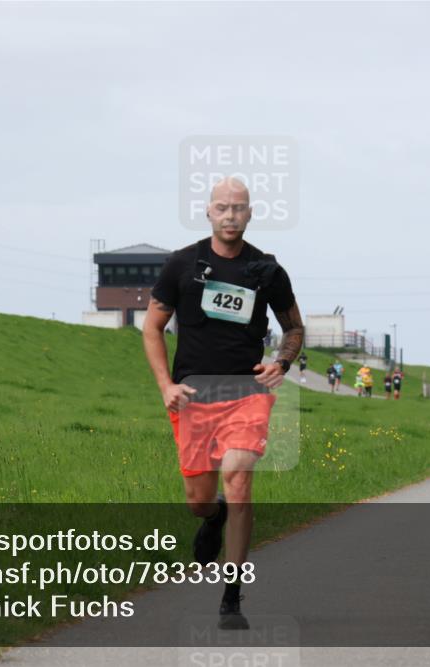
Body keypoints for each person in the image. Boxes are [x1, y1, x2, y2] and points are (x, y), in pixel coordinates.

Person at [143, 177, 304, 629]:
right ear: (208, 212)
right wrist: (165, 386)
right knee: (199, 501)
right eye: (222, 208)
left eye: (238, 208)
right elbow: (152, 328)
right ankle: (211, 517)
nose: (230, 216)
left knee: (238, 476)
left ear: (250, 214)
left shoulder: (267, 270)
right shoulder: (182, 264)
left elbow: (293, 327)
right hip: (194, 396)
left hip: (246, 394)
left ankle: (231, 596)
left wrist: (281, 362)